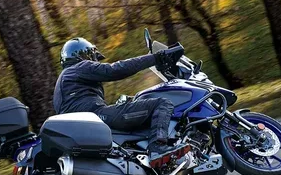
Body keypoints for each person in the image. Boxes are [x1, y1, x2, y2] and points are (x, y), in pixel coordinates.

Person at [54, 37, 184, 158]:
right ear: (83, 55)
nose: (95, 61)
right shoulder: (79, 68)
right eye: (94, 57)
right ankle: (157, 148)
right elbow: (115, 69)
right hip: (96, 117)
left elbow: (83, 102)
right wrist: (155, 58)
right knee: (162, 104)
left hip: (87, 123)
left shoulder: (63, 80)